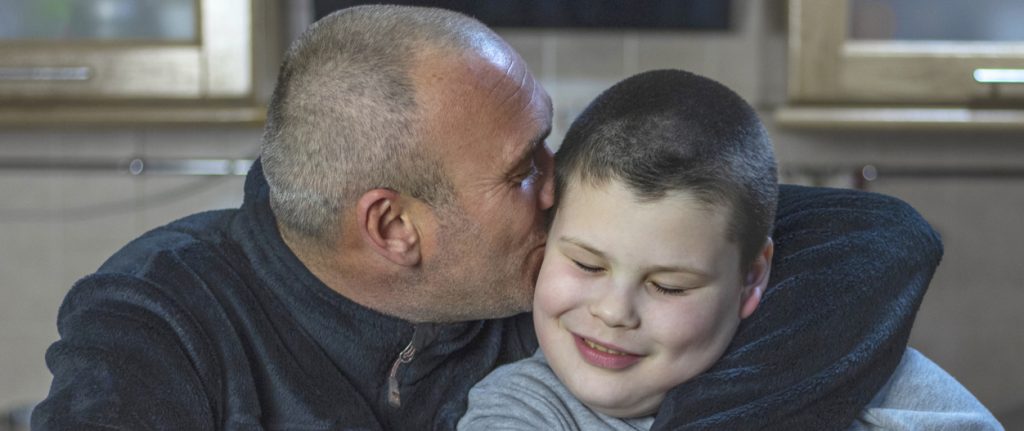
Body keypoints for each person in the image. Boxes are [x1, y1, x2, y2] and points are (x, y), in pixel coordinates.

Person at [32, 6, 943, 431]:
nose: (560, 189)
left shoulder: (573, 273)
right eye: (523, 170)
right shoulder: (154, 319)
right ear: (394, 230)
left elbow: (879, 238)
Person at [458, 69, 1002, 430]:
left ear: (751, 279)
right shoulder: (519, 408)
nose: (613, 311)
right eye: (585, 263)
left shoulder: (885, 387)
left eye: (668, 285)